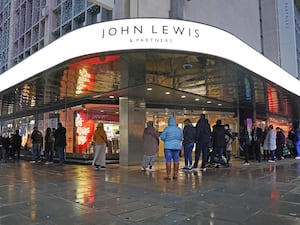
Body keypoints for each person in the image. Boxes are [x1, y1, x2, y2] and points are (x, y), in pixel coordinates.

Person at [160, 116, 183, 180]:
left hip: (168, 147)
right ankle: (175, 174)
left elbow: (162, 137)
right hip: (177, 147)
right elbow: (181, 138)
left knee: (168, 160)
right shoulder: (179, 129)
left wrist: (167, 140)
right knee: (176, 160)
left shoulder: (167, 129)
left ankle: (168, 175)